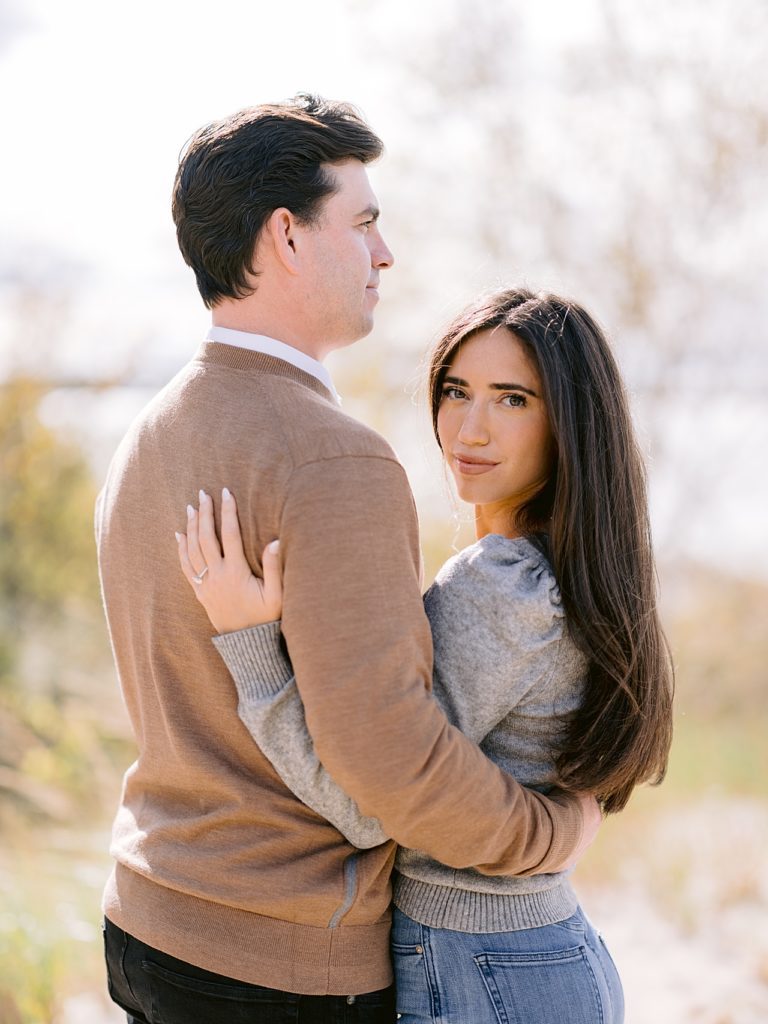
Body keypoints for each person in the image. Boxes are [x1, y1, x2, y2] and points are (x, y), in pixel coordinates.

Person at [95, 95, 600, 1024]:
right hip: (279, 957)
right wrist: (551, 830)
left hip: (148, 919)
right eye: (363, 222)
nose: (383, 253)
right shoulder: (336, 458)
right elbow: (388, 783)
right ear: (286, 236)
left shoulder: (147, 434)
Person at [176, 287, 675, 1023]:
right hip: (539, 955)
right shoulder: (569, 569)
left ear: (570, 422)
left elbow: (368, 805)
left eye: (512, 400)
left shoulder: (500, 587)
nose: (470, 427)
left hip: (480, 967)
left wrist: (250, 644)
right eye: (455, 391)